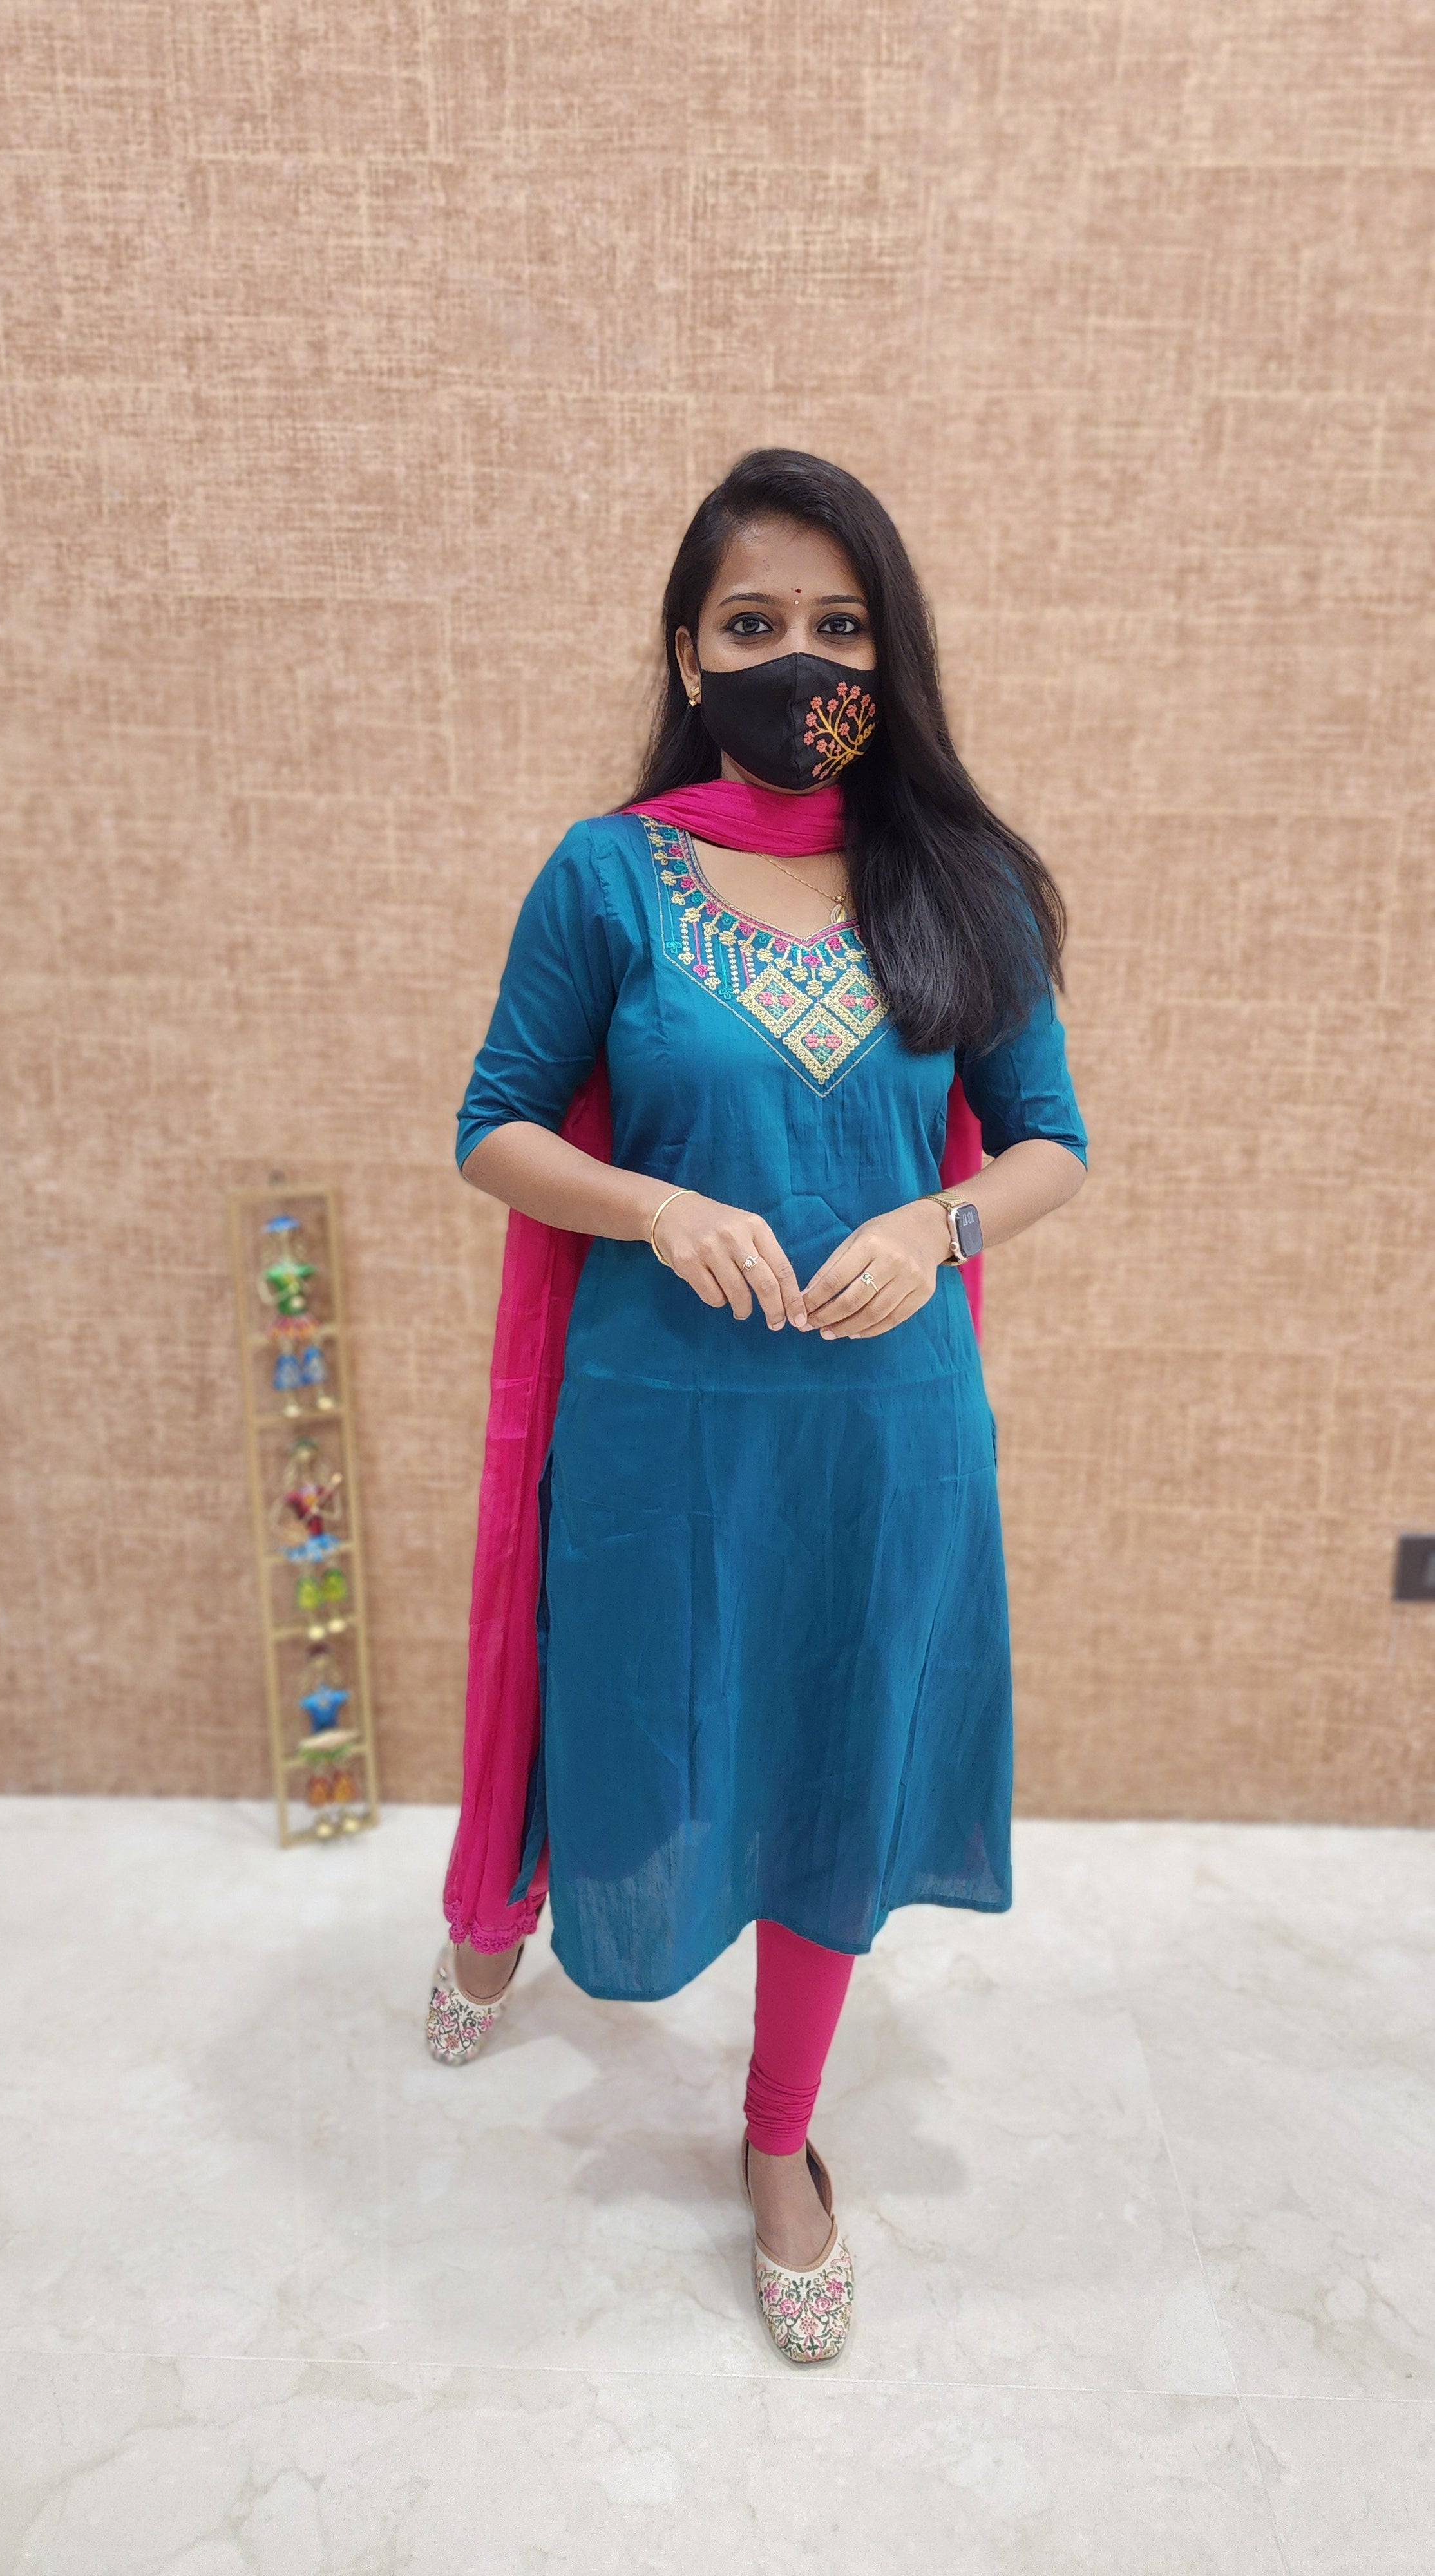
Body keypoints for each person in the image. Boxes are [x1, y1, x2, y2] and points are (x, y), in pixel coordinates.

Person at [426, 449, 1088, 2366]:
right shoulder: (607, 874)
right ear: (687, 651)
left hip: (886, 1435)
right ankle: (501, 1903)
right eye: (753, 622)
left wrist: (937, 1222)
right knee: (627, 1711)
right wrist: (654, 1203)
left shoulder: (962, 883)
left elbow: (1050, 1143)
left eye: (838, 624)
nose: (798, 659)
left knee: (836, 1755)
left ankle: (780, 2135)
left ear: (892, 650)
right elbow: (493, 1128)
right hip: (661, 1423)